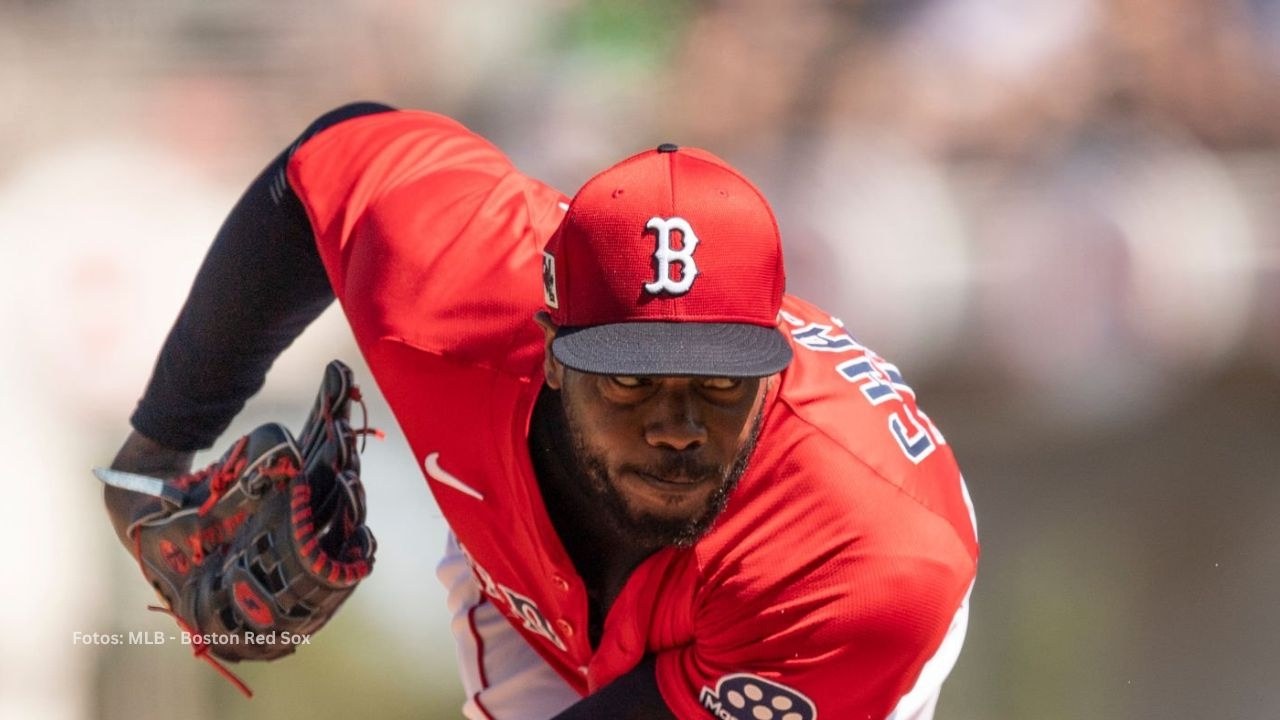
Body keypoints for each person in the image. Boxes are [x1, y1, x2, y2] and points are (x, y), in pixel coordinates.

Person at [104, 102, 979, 720]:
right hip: (521, 550)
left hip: (789, 622)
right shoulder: (459, 286)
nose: (678, 427)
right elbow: (333, 158)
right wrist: (159, 446)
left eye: (720, 383)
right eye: (631, 379)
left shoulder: (867, 565)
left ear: (772, 365)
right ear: (554, 346)